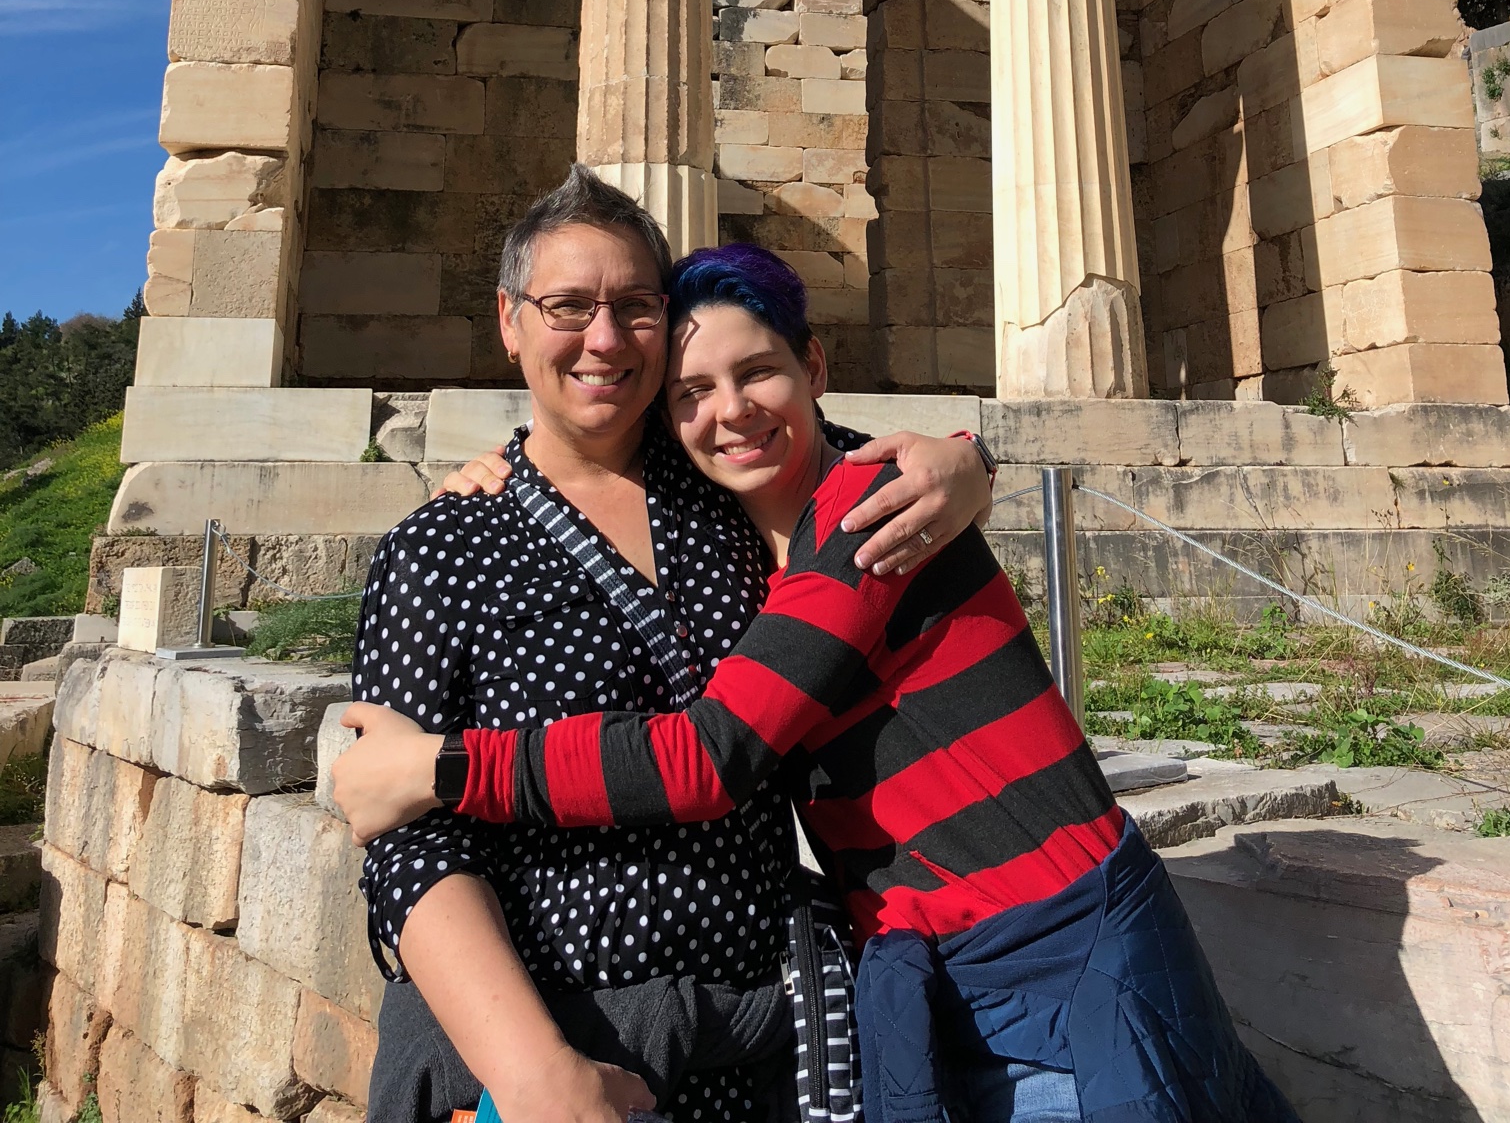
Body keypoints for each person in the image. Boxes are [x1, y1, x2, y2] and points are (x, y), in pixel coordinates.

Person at [340, 244, 1302, 1123]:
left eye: (757, 371)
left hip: (1060, 951)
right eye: (690, 393)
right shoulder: (748, 543)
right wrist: (511, 469)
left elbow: (708, 758)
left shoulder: (864, 514)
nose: (730, 409)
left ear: (815, 367)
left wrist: (442, 766)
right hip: (939, 964)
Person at [344, 171, 995, 1123]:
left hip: (766, 1032)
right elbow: (407, 844)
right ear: (510, 321)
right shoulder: (442, 546)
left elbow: (883, 469)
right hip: (556, 1048)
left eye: (636, 307)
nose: (603, 339)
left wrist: (972, 460)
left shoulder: (729, 489)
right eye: (567, 306)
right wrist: (538, 1077)